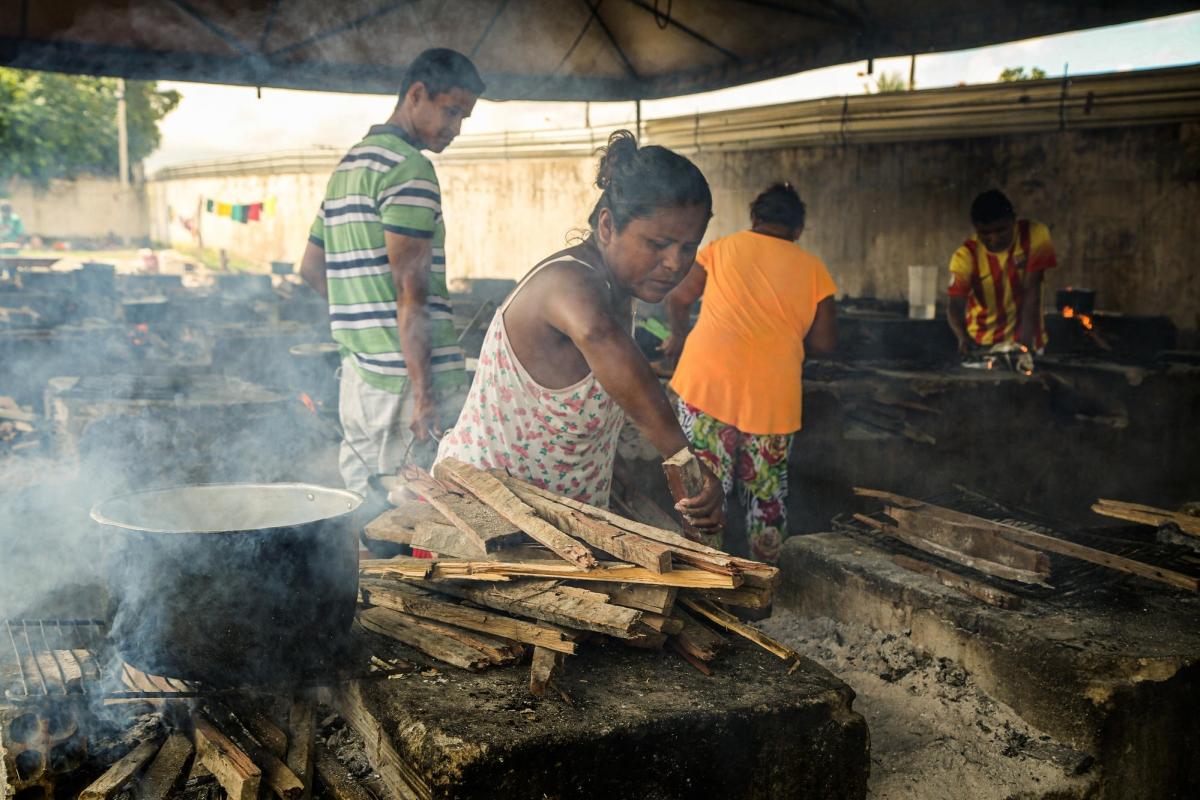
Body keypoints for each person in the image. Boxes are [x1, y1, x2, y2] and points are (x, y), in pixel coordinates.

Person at [435, 130, 723, 532]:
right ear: (607, 226)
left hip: (561, 524)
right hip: (487, 521)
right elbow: (598, 336)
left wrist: (604, 458)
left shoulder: (622, 292)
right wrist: (685, 458)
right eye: (658, 243)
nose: (675, 263)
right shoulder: (567, 282)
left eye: (688, 247)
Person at [299, 48, 483, 496]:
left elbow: (310, 267)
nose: (456, 128)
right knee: (414, 517)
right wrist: (423, 395)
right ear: (416, 94)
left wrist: (362, 318)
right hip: (405, 385)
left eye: (465, 117)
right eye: (452, 111)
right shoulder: (410, 170)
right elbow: (411, 296)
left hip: (359, 377)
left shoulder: (349, 167)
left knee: (366, 512)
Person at [661, 183, 836, 563]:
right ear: (798, 229)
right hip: (773, 396)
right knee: (766, 498)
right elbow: (825, 343)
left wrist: (677, 335)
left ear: (755, 218)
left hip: (707, 384)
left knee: (702, 489)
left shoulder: (724, 247)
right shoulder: (814, 269)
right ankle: (766, 583)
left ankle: (703, 579)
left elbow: (678, 297)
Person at [947, 189, 1057, 356]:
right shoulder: (965, 256)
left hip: (1030, 342)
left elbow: (1031, 290)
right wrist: (962, 337)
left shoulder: (1035, 234)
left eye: (1001, 230)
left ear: (1013, 220)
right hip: (984, 345)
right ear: (976, 228)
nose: (994, 239)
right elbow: (955, 305)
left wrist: (1023, 346)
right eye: (985, 233)